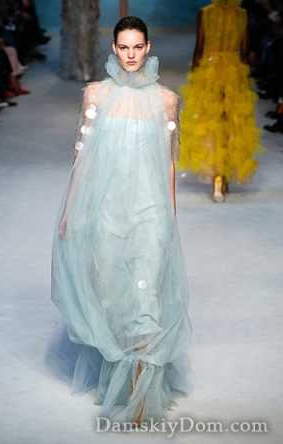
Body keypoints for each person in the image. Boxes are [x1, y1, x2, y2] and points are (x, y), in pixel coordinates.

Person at [51, 17, 192, 427]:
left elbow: (169, 162)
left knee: (146, 298)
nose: (131, 54)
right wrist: (70, 209)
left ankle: (140, 396)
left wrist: (170, 216)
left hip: (149, 210)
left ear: (148, 47)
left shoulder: (166, 100)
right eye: (124, 47)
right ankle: (118, 382)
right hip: (106, 209)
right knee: (111, 294)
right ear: (114, 48)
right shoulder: (95, 94)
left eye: (137, 47)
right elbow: (82, 155)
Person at [178, 0, 261, 202]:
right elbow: (244, 51)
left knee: (211, 123)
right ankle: (223, 176)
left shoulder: (205, 13)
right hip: (233, 73)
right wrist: (243, 76)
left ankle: (216, 176)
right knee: (231, 124)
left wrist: (194, 75)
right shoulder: (241, 14)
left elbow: (200, 47)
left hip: (209, 71)